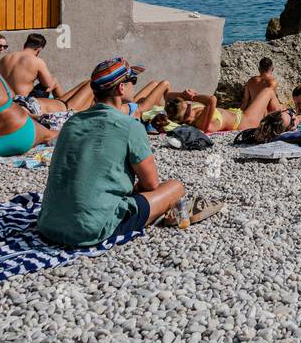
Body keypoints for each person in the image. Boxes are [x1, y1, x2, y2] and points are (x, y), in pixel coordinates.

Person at [38, 59, 212, 248]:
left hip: (48, 224)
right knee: (175, 187)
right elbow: (151, 184)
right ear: (121, 88)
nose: (133, 87)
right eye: (133, 81)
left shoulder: (72, 123)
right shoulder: (129, 126)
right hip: (90, 229)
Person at [0, 34, 86, 119]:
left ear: (25, 45)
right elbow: (47, 84)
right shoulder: (37, 61)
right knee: (53, 81)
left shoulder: (5, 58)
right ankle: (64, 107)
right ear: (39, 49)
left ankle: (62, 104)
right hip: (25, 100)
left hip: (7, 99)